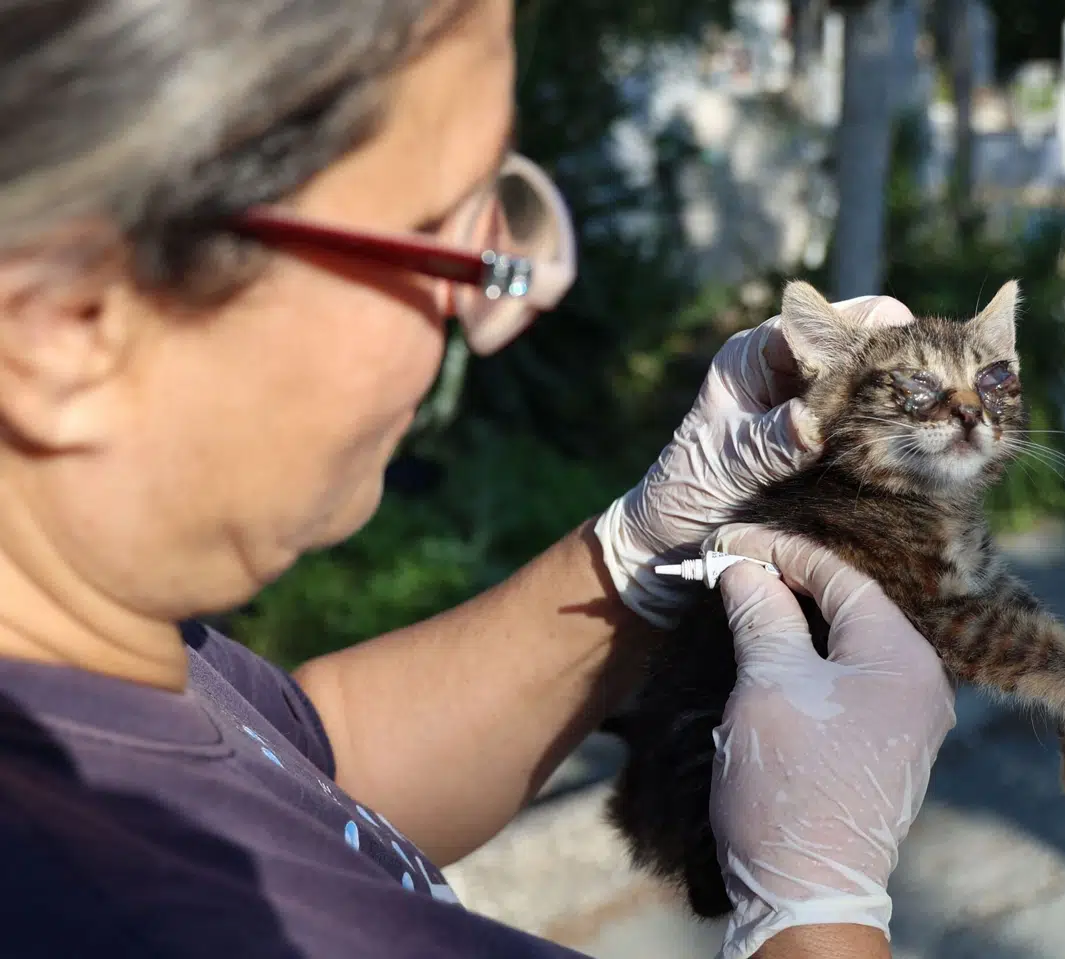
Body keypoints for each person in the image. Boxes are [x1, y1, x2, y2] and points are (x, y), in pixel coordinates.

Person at [0, 1, 958, 957]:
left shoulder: (98, 669)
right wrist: (819, 904)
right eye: (444, 238)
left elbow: (316, 768)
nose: (501, 302)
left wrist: (642, 551)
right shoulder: (169, 921)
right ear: (68, 324)